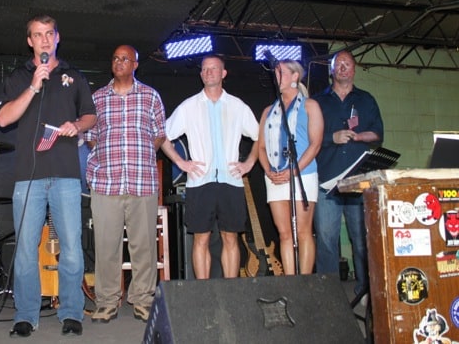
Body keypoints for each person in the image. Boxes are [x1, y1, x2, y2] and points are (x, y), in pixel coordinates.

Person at [0, 14, 96, 337]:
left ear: (57, 37)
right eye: (37, 35)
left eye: (49, 33)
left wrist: (76, 125)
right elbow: (3, 119)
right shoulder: (19, 76)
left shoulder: (73, 75)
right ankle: (26, 315)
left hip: (66, 174)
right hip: (29, 176)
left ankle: (71, 312)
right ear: (30, 41)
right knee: (26, 248)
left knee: (72, 247)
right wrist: (32, 87)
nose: (44, 39)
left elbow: (91, 116)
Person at [85, 45, 166, 323]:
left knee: (144, 246)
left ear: (135, 65)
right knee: (106, 247)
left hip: (142, 181)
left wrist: (141, 154)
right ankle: (107, 302)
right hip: (106, 183)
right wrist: (107, 155)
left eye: (125, 59)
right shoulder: (97, 98)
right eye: (115, 58)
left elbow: (159, 134)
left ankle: (143, 300)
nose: (119, 62)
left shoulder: (150, 96)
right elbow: (90, 137)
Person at [160, 54, 259, 279]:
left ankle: (231, 288)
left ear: (223, 73)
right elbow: (162, 135)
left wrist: (249, 163)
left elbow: (259, 136)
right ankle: (203, 291)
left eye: (213, 68)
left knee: (230, 237)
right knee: (200, 238)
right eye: (205, 69)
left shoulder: (237, 106)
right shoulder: (189, 106)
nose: (208, 72)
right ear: (201, 74)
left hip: (231, 181)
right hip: (200, 182)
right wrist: (180, 162)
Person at [313, 50, 383, 296]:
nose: (342, 68)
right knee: (326, 241)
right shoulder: (317, 102)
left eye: (347, 64)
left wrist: (359, 136)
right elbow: (308, 137)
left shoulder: (366, 100)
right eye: (338, 64)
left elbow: (378, 135)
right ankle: (330, 295)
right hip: (326, 182)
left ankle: (366, 291)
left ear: (354, 69)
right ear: (331, 69)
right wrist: (331, 138)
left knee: (363, 240)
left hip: (358, 182)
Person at [257, 59, 323, 275]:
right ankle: (289, 280)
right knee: (284, 233)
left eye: (281, 72)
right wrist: (269, 171)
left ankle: (304, 280)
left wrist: (293, 172)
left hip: (303, 175)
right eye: (275, 73)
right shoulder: (268, 111)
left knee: (303, 232)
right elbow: (261, 147)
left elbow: (315, 144)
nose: (277, 76)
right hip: (275, 176)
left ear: (295, 76)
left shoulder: (310, 106)